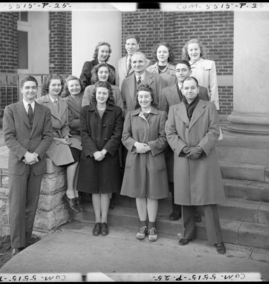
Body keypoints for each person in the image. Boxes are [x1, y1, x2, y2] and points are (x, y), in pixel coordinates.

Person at [165, 76, 227, 254]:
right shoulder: (174, 108)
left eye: (192, 88)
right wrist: (182, 148)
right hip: (183, 157)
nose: (189, 91)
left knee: (208, 199)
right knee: (185, 199)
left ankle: (216, 239)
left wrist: (200, 148)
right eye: (186, 88)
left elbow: (214, 131)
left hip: (204, 158)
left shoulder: (209, 107)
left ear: (197, 89)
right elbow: (170, 132)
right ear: (182, 90)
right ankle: (187, 233)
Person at [3, 76, 53, 257]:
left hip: (37, 163)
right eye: (28, 88)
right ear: (21, 89)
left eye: (34, 88)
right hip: (19, 163)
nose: (31, 91)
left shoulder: (44, 111)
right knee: (17, 204)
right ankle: (16, 243)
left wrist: (36, 155)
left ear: (37, 90)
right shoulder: (10, 110)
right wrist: (25, 154)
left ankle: (26, 240)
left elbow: (48, 136)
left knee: (31, 204)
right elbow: (9, 137)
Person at [160, 60, 209, 222]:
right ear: (175, 73)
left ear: (189, 72)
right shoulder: (167, 91)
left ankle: (194, 209)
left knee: (194, 176)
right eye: (178, 70)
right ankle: (176, 208)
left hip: (195, 141)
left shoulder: (201, 91)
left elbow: (207, 117)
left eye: (184, 70)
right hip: (174, 141)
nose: (181, 72)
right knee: (175, 177)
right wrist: (170, 140)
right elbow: (163, 115)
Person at [121, 84, 169, 242]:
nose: (143, 99)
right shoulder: (131, 115)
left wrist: (150, 146)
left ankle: (152, 224)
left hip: (154, 157)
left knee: (152, 192)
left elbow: (164, 137)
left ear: (151, 98)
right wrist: (135, 145)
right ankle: (142, 224)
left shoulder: (161, 115)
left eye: (146, 96)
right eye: (140, 97)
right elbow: (125, 136)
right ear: (137, 98)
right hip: (136, 157)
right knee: (139, 192)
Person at [77, 81, 123, 237]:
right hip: (91, 155)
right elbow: (84, 133)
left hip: (108, 155)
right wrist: (94, 152)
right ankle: (97, 221)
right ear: (94, 94)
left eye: (104, 93)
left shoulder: (116, 111)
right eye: (99, 93)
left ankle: (105, 221)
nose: (101, 96)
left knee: (106, 189)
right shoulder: (85, 111)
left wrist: (104, 151)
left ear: (109, 95)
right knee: (95, 189)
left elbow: (117, 134)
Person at [36, 74, 82, 214]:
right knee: (73, 158)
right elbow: (40, 130)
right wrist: (59, 140)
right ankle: (70, 193)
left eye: (59, 85)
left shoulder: (63, 102)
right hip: (48, 139)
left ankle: (75, 190)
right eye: (53, 85)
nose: (56, 88)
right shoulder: (40, 102)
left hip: (61, 136)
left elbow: (66, 124)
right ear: (47, 87)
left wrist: (66, 135)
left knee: (80, 149)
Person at [62, 75, 85, 210]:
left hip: (88, 134)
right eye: (71, 86)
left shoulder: (86, 97)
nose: (75, 88)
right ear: (67, 88)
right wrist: (86, 121)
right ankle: (70, 191)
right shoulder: (65, 101)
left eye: (76, 85)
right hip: (74, 135)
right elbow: (70, 122)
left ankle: (77, 190)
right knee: (75, 155)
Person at [121, 51, 164, 116]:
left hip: (152, 120)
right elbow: (124, 104)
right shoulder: (125, 82)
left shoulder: (157, 79)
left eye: (140, 61)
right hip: (133, 120)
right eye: (134, 62)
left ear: (146, 63)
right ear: (131, 64)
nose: (137, 64)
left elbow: (162, 102)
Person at [181, 38, 219, 111]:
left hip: (204, 100)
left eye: (196, 49)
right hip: (188, 101)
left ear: (200, 50)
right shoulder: (184, 66)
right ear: (187, 52)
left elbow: (213, 87)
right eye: (191, 50)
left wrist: (214, 105)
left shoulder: (210, 64)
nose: (194, 52)